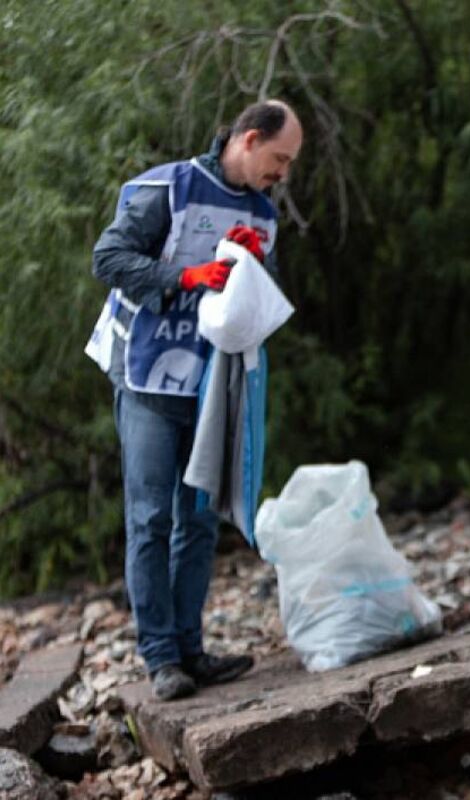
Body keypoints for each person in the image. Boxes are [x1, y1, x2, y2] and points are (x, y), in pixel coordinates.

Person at [86, 100, 303, 700]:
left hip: (212, 387)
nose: (282, 173)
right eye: (279, 159)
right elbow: (109, 258)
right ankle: (160, 659)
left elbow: (272, 296)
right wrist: (184, 278)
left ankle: (191, 650)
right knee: (151, 518)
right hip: (147, 375)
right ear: (250, 139)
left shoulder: (261, 214)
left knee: (200, 520)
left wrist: (250, 264)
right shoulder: (168, 187)